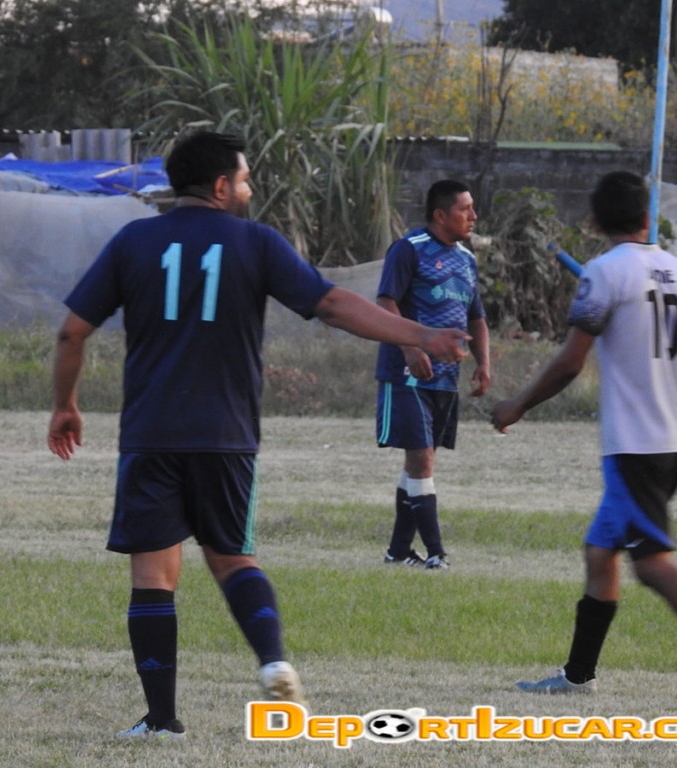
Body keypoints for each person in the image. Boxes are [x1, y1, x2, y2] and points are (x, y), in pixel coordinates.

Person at [47, 131, 469, 741]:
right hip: (228, 435)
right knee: (233, 558)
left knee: (153, 574)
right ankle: (272, 661)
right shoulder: (256, 242)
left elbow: (71, 333)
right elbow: (331, 305)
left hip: (150, 435)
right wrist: (419, 334)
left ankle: (162, 719)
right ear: (221, 186)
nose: (249, 190)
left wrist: (66, 405)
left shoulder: (133, 240)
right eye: (245, 180)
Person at [490, 170, 677, 703]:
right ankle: (577, 676)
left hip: (635, 447)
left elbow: (570, 362)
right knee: (600, 554)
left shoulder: (604, 273)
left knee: (652, 566)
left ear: (594, 222)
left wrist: (516, 404)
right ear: (648, 217)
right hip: (669, 442)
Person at [375, 179, 491, 570]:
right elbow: (385, 303)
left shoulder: (466, 259)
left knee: (419, 464)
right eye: (465, 209)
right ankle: (437, 553)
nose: (473, 216)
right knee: (422, 461)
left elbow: (476, 317)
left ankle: (397, 552)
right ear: (441, 215)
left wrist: (483, 363)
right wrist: (410, 349)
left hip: (445, 378)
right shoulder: (409, 249)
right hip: (407, 375)